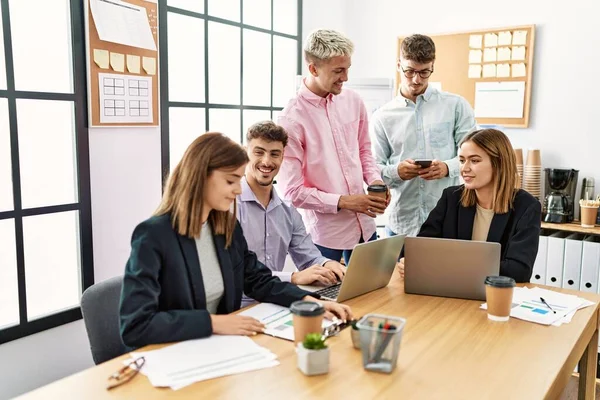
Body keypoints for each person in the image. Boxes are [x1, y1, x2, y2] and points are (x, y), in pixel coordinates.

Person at [119, 133, 352, 349]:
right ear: (200, 177)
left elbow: (258, 281)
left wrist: (310, 301)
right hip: (175, 350)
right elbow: (135, 325)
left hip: (221, 347)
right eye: (231, 181)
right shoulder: (153, 236)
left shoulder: (225, 228)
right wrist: (214, 323)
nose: (238, 191)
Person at [277, 29, 389, 265]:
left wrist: (376, 182)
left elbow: (364, 151)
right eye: (338, 71)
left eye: (347, 68)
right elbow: (291, 191)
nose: (346, 77)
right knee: (326, 300)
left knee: (373, 296)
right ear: (313, 69)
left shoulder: (353, 101)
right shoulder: (291, 120)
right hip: (325, 237)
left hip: (365, 228)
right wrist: (345, 202)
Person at [397, 128, 541, 283]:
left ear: (499, 163)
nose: (464, 168)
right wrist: (408, 261)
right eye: (461, 160)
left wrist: (447, 265)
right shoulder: (451, 198)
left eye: (474, 160)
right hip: (450, 287)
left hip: (494, 294)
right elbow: (418, 248)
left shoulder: (526, 206)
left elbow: (519, 270)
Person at [372, 33, 476, 238]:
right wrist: (397, 172)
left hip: (447, 222)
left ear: (433, 67)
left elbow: (473, 157)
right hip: (401, 224)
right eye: (409, 71)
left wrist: (447, 167)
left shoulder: (456, 106)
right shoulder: (382, 117)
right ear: (398, 65)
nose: (416, 79)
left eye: (424, 72)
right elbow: (373, 170)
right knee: (397, 272)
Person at [238, 121, 346, 307]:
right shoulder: (229, 205)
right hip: (237, 306)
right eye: (259, 152)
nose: (266, 161)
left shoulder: (287, 210)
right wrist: (293, 277)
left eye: (275, 154)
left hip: (278, 302)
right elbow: (235, 271)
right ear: (245, 153)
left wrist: (327, 264)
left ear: (283, 157)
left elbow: (309, 257)